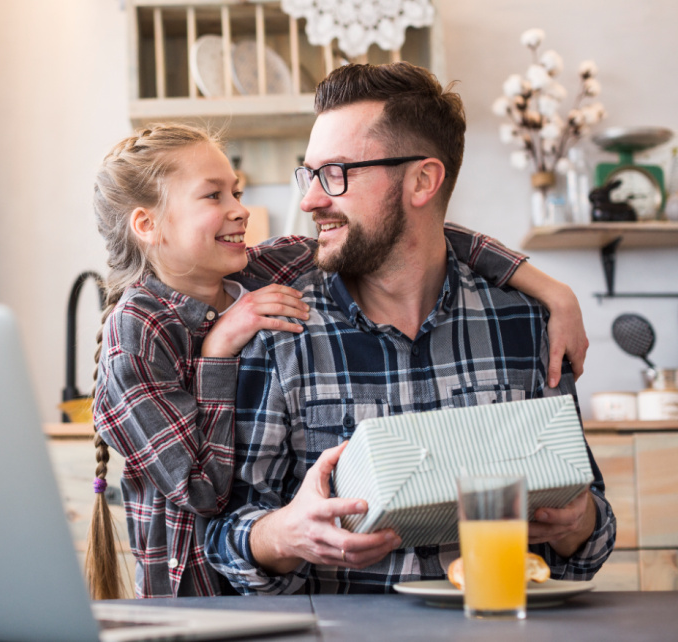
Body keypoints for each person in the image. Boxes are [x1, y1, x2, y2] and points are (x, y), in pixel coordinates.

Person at [87, 122, 590, 599]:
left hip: (253, 598)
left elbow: (416, 231)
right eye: (213, 195)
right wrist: (219, 349)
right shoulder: (134, 334)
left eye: (236, 192)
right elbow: (201, 492)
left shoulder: (262, 269)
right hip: (189, 593)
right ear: (148, 224)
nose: (240, 209)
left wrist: (550, 289)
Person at [204, 62, 616, 595]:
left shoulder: (527, 322)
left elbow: (590, 542)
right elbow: (220, 539)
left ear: (423, 180)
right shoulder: (280, 327)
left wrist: (576, 524)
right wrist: (285, 535)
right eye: (309, 174)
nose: (309, 200)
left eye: (337, 173)